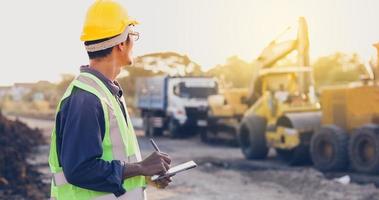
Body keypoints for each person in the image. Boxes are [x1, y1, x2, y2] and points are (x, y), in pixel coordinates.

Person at [48, 0, 172, 199]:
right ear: (121, 43)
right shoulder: (86, 100)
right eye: (133, 35)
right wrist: (140, 167)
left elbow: (114, 163)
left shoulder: (107, 93)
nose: (134, 42)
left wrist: (146, 175)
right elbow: (80, 169)